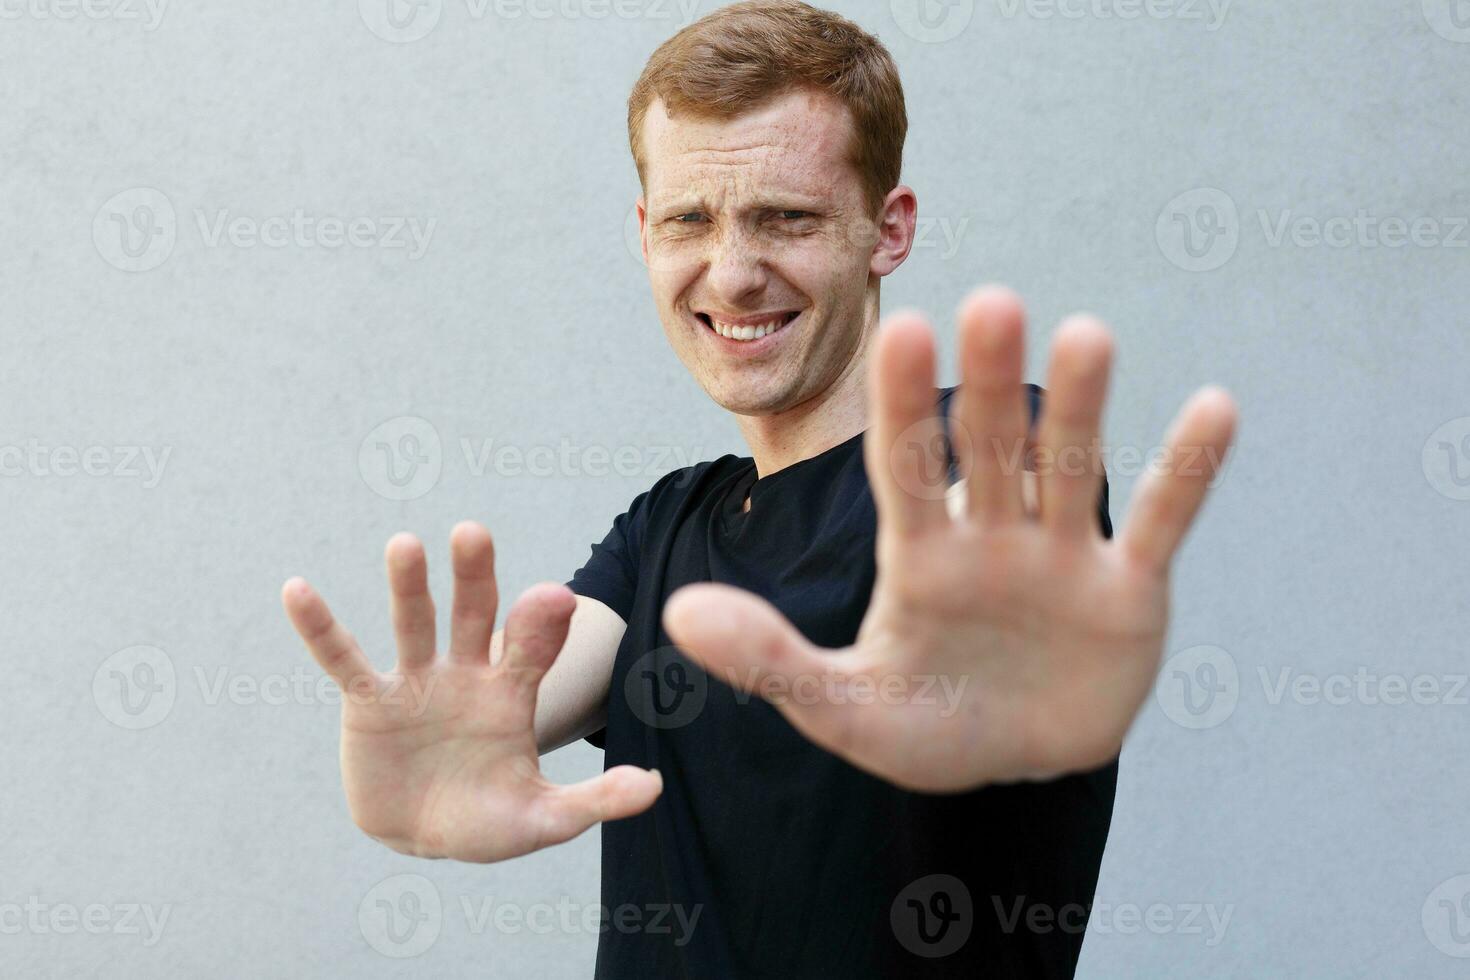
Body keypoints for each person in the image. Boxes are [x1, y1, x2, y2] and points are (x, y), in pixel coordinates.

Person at [281, 2, 1236, 975]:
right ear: (645, 232)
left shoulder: (980, 455)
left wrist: (972, 663)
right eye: (691, 219)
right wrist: (437, 761)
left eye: (786, 217)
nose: (732, 274)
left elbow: (1005, 539)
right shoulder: (665, 526)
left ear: (887, 229)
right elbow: (516, 700)